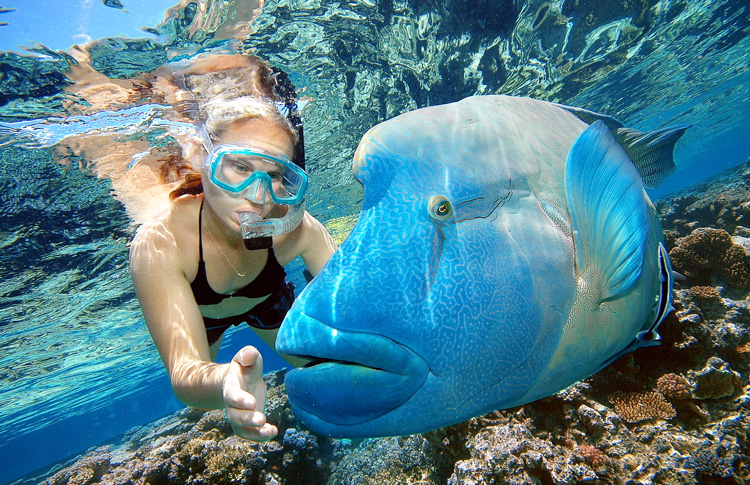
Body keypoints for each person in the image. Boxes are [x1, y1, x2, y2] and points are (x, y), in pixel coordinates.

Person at [129, 53, 337, 442]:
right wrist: (226, 379)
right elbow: (185, 374)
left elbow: (356, 302)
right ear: (200, 155)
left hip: (265, 298)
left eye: (276, 175)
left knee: (319, 365)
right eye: (239, 168)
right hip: (204, 316)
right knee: (201, 401)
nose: (257, 198)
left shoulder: (297, 230)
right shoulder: (163, 243)